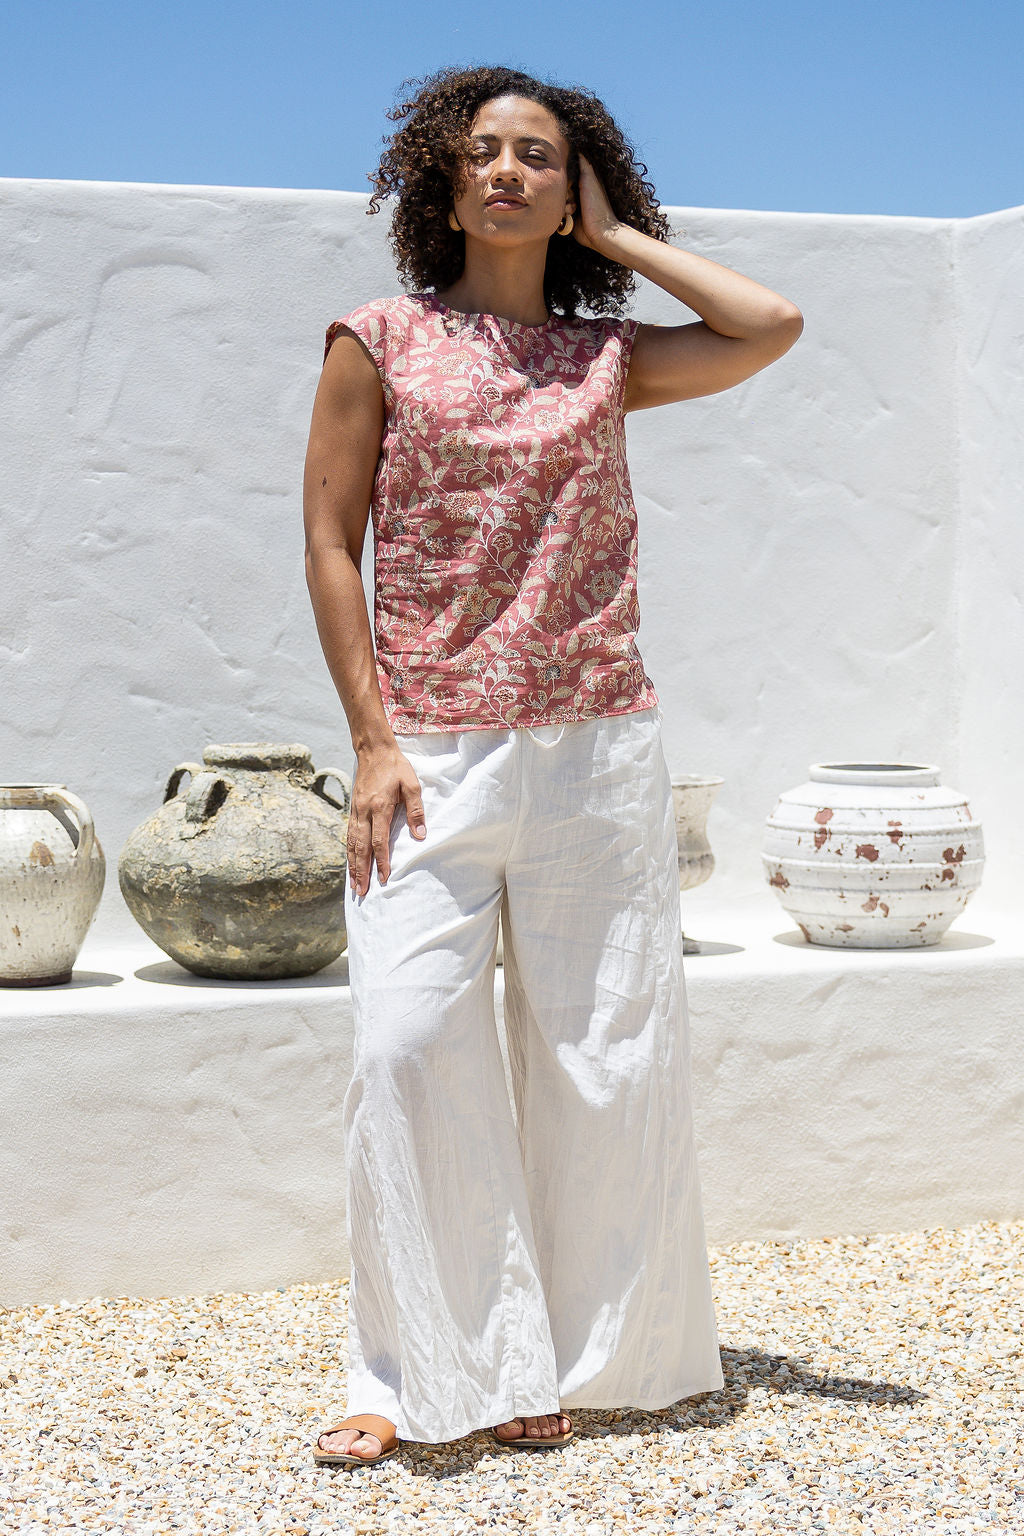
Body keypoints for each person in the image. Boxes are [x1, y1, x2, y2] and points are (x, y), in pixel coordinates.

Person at [303, 63, 802, 1468]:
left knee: (605, 1062)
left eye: (540, 155)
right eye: (485, 151)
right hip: (430, 754)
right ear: (443, 179)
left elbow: (769, 324)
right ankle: (411, 1371)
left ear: (573, 187)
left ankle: (573, 1362)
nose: (510, 171)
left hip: (596, 750)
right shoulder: (379, 339)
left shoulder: (606, 358)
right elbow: (331, 542)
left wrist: (618, 235)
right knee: (407, 1049)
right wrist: (371, 739)